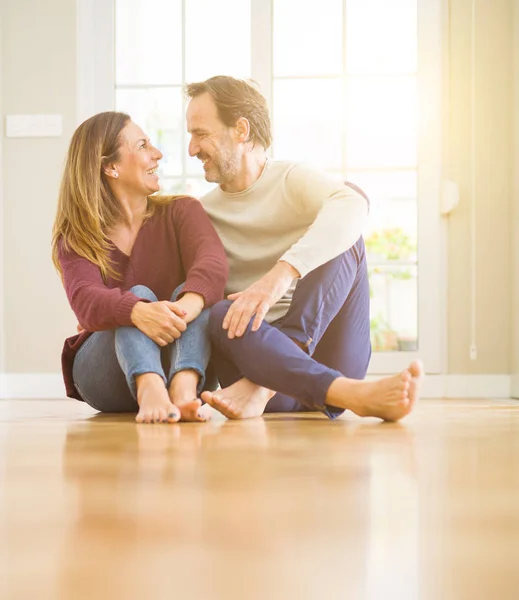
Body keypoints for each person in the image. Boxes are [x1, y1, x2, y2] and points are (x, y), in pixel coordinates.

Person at [184, 76, 423, 421]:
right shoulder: (202, 213)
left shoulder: (290, 178)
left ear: (241, 129)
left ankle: (275, 374)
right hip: (259, 361)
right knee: (222, 314)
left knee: (346, 222)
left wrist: (282, 274)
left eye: (200, 134)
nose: (191, 148)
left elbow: (353, 205)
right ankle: (345, 393)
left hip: (307, 364)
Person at [51, 111, 228, 424]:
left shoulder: (183, 211)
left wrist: (182, 308)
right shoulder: (77, 236)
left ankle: (182, 390)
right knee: (137, 295)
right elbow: (85, 300)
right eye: (144, 145)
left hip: (187, 360)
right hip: (106, 376)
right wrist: (137, 310)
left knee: (195, 296)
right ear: (111, 167)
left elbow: (211, 265)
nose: (157, 154)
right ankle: (149, 388)